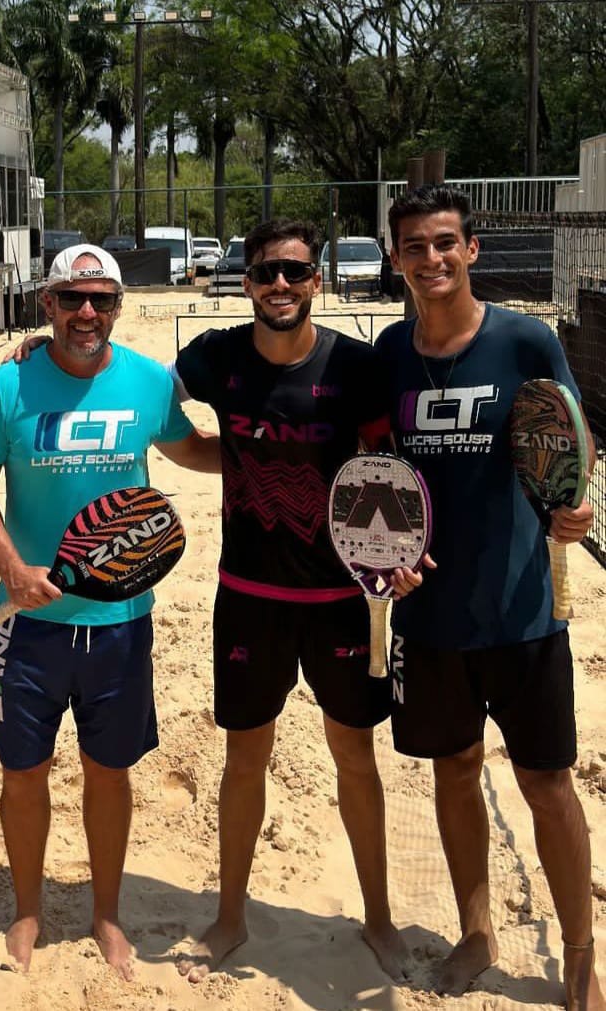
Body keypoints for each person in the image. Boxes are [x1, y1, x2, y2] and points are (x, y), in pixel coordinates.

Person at [0, 244, 219, 979]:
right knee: (23, 774)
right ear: (46, 304)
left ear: (117, 306)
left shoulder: (145, 381)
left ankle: (106, 914)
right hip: (27, 622)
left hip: (122, 621)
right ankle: (27, 911)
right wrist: (11, 565)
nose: (86, 312)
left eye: (101, 298)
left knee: (109, 772)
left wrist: (271, 448)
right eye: (71, 297)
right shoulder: (8, 383)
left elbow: (190, 450)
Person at [168, 219, 415, 984]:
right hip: (248, 596)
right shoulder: (214, 357)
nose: (281, 284)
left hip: (345, 596)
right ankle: (231, 916)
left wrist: (401, 554)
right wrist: (48, 349)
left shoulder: (359, 367)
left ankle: (377, 916)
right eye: (267, 271)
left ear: (317, 281)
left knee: (355, 758)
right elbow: (152, 409)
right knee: (246, 758)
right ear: (245, 282)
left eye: (296, 272)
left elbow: (390, 467)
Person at [378, 184, 603, 1009]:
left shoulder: (526, 341)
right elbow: (376, 476)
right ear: (395, 259)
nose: (431, 259)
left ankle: (580, 951)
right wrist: (386, 560)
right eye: (414, 246)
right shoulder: (390, 354)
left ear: (472, 249)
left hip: (522, 609)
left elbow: (570, 443)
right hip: (432, 616)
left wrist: (577, 507)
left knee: (548, 784)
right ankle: (477, 932)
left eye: (445, 243)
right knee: (456, 769)